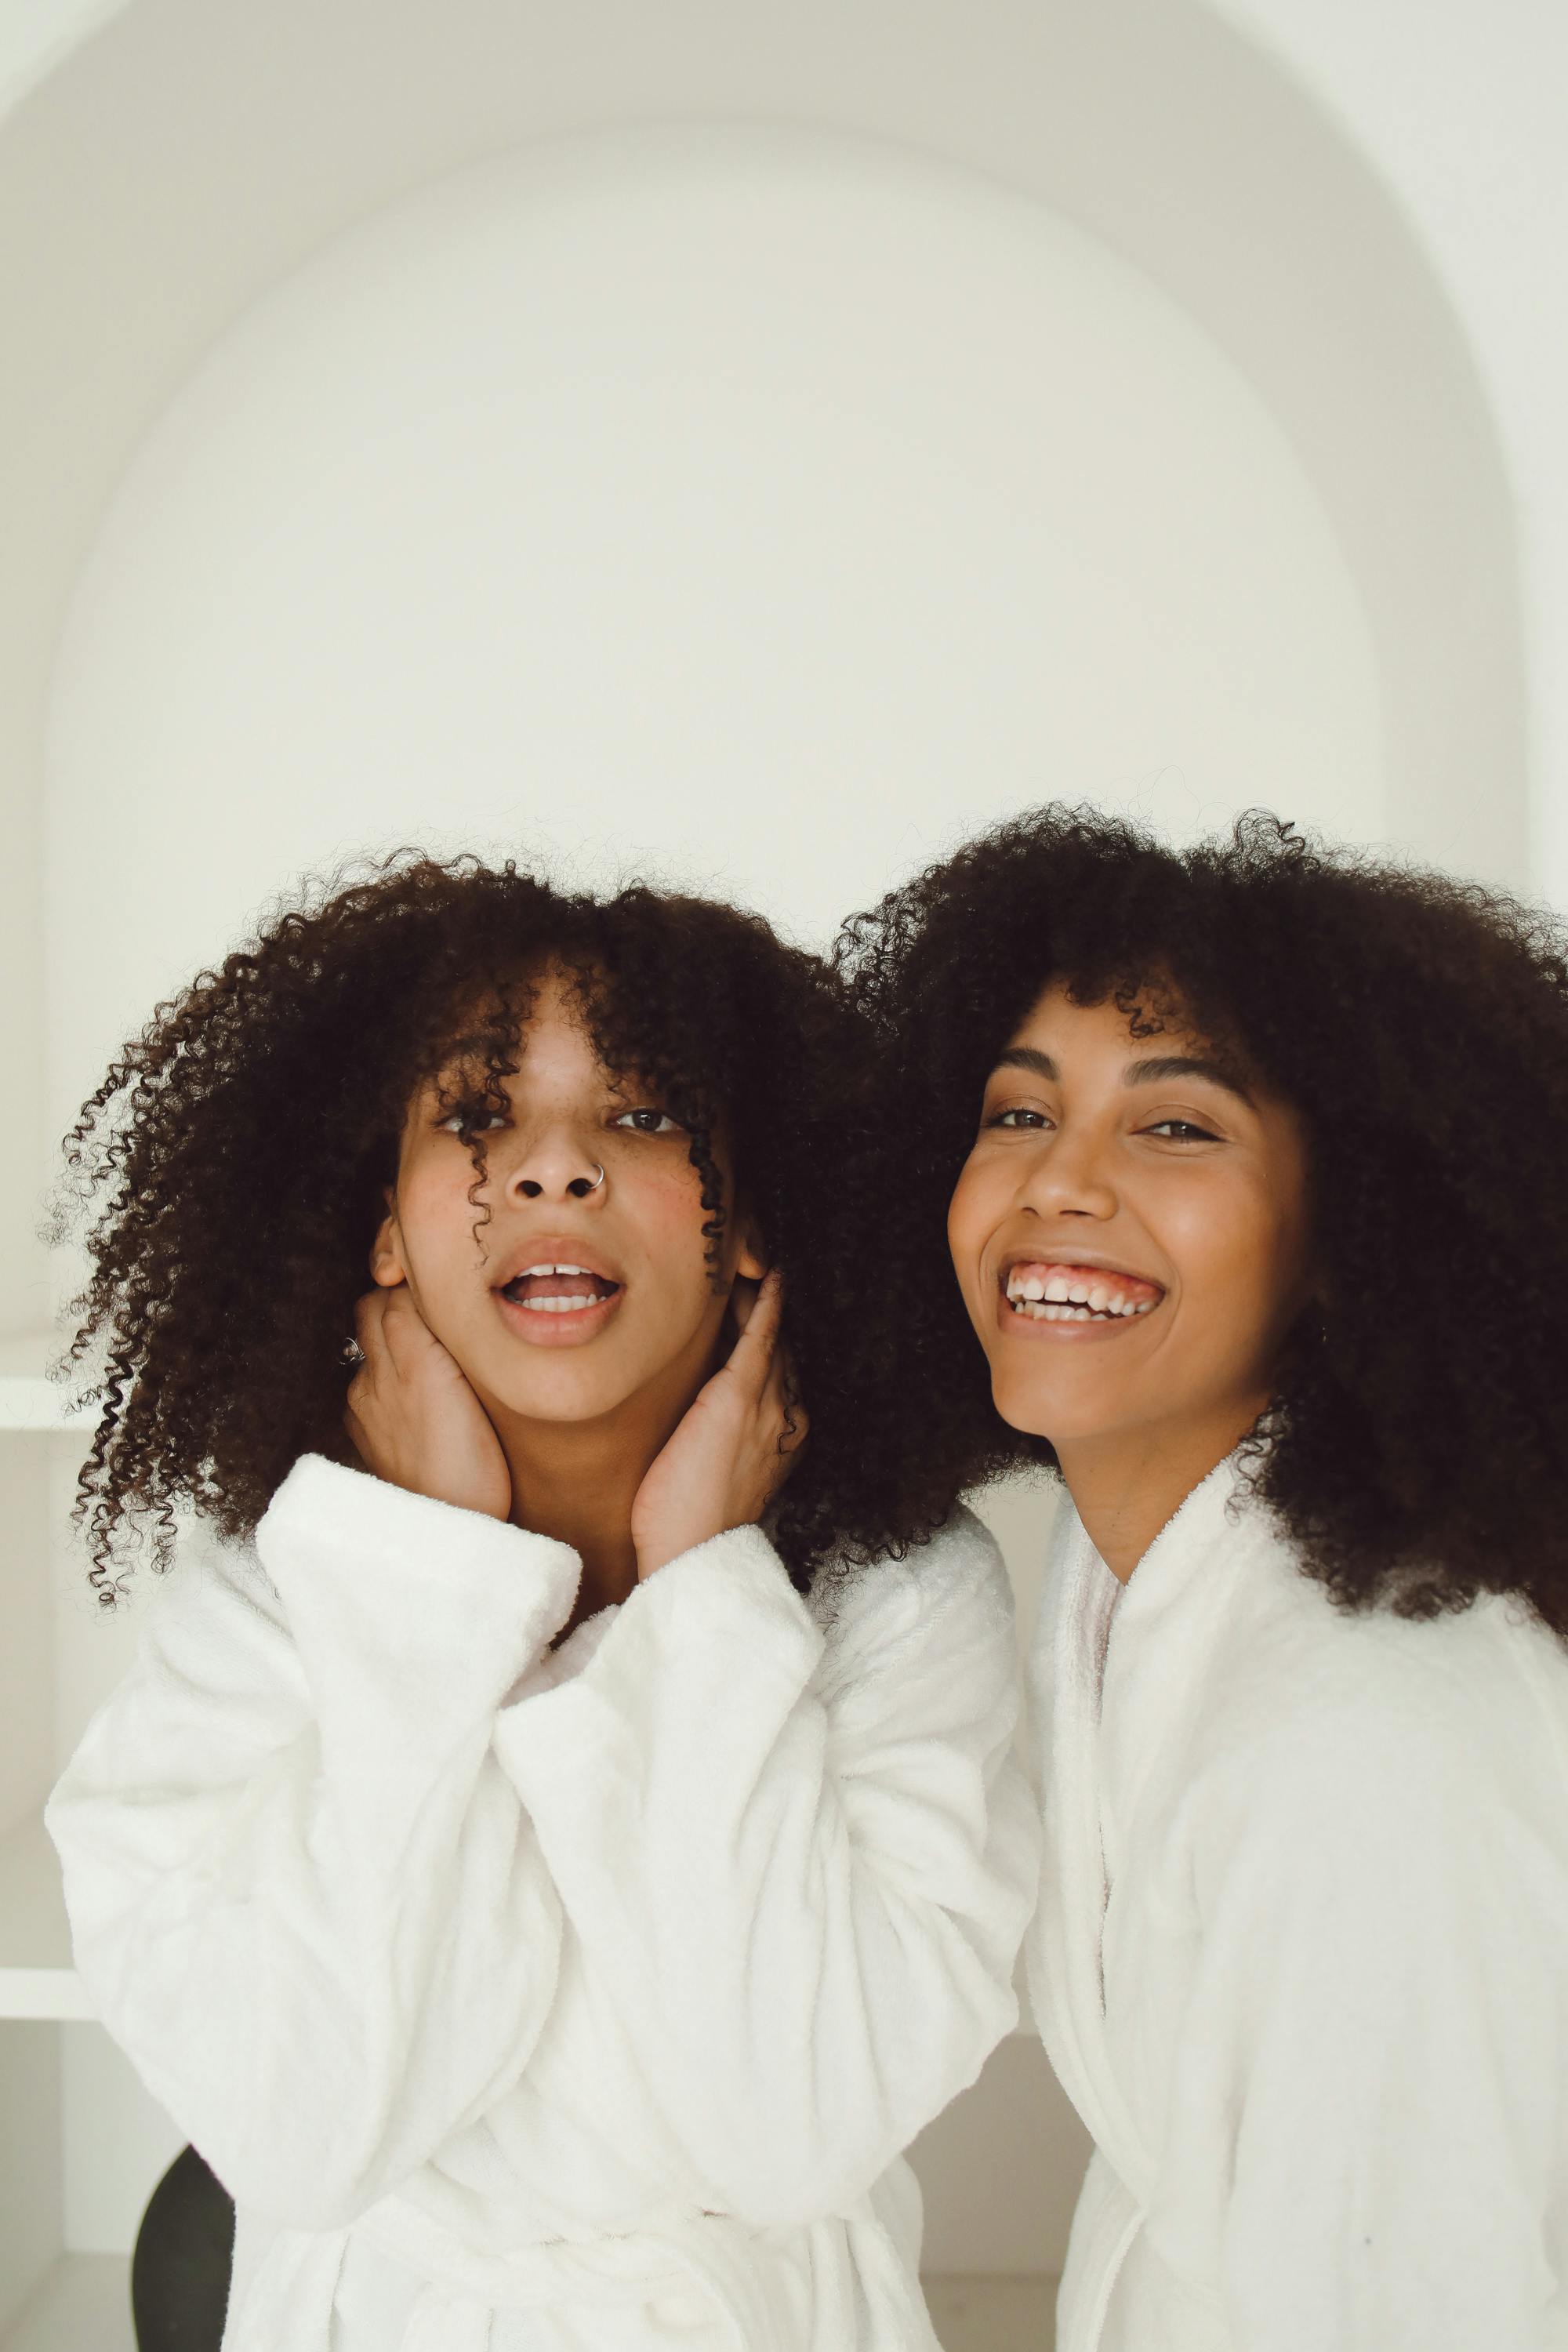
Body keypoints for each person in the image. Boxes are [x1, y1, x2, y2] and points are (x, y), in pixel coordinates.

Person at [45, 853, 1040, 2352]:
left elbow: (794, 2129)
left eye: (638, 1118)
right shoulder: (267, 1596)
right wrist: (432, 1581)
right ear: (387, 1229)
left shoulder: (905, 1601)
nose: (553, 1168)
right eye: (475, 1117)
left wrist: (706, 1587)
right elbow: (305, 2132)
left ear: (754, 1225)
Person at [839, 805, 1568, 2352]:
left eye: (1177, 1127)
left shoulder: (1370, 1750)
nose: (1058, 1183)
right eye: (1016, 1113)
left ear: (1351, 1230)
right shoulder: (1137, 1582)